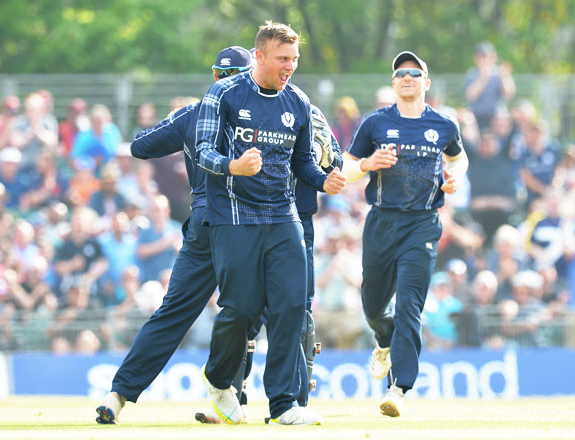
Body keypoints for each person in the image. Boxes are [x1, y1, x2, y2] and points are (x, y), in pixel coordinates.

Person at [95, 45, 256, 425]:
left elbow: (139, 146)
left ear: (215, 75)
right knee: (244, 312)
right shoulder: (262, 113)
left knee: (172, 314)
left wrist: (176, 122)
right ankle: (231, 395)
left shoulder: (193, 114)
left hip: (202, 222)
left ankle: (118, 396)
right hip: (245, 223)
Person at [195, 21, 345, 426]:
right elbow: (202, 151)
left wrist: (324, 180)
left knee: (293, 305)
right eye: (283, 59)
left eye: (294, 59)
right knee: (240, 308)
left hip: (283, 215)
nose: (290, 66)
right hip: (234, 217)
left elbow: (302, 164)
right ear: (259, 56)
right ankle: (220, 379)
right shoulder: (223, 93)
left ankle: (282, 404)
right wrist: (233, 166)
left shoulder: (298, 101)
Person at [342, 50, 468, 417]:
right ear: (394, 83)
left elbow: (458, 157)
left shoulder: (445, 125)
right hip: (382, 221)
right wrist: (367, 163)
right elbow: (347, 169)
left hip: (423, 223)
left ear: (426, 82)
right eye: (400, 74)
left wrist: (455, 176)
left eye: (415, 73)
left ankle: (398, 388)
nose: (407, 77)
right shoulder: (375, 123)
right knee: (373, 304)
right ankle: (384, 341)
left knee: (410, 305)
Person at [464, 41, 516, 130]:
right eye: (481, 56)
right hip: (477, 117)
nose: (484, 59)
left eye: (486, 56)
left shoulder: (501, 73)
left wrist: (504, 78)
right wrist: (484, 77)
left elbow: (509, 94)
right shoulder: (472, 74)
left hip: (497, 119)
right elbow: (470, 96)